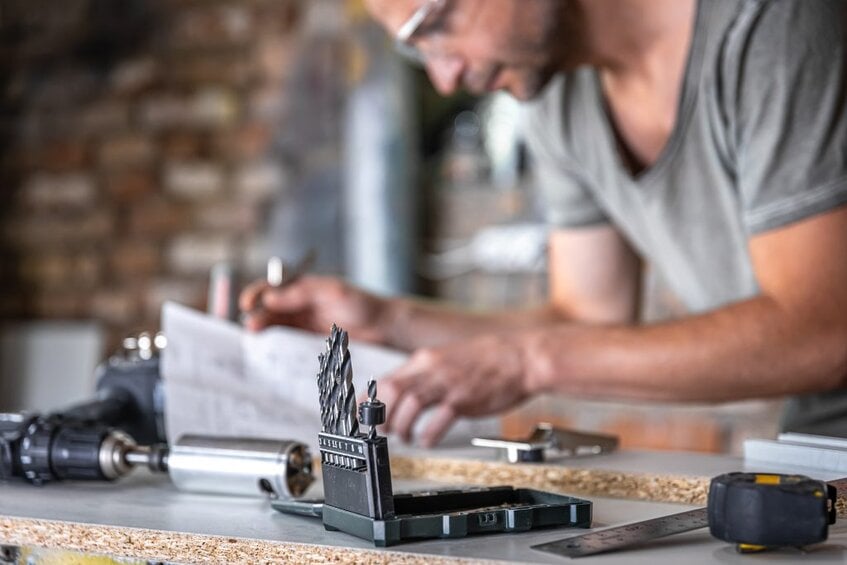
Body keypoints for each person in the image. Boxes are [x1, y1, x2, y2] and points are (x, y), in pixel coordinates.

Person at [241, 0, 847, 447]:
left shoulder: (771, 22)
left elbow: (823, 332)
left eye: (437, 28)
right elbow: (587, 319)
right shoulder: (556, 95)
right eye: (416, 49)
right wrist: (386, 322)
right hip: (823, 443)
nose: (445, 77)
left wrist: (527, 361)